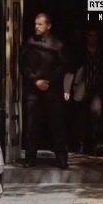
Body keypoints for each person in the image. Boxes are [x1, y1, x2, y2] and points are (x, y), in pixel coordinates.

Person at [20, 13, 69, 169]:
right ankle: (30, 158)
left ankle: (61, 158)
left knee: (57, 125)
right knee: (31, 126)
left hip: (52, 91)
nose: (37, 27)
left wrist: (49, 81)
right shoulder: (28, 42)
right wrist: (35, 81)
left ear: (48, 26)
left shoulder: (58, 44)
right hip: (32, 90)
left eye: (40, 24)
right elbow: (22, 65)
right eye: (35, 24)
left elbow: (64, 66)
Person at [65, 28, 103, 155]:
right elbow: (72, 69)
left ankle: (96, 143)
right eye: (90, 35)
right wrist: (67, 89)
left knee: (97, 116)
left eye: (95, 35)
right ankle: (81, 144)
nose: (93, 38)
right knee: (81, 118)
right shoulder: (80, 53)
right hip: (82, 87)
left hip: (98, 88)